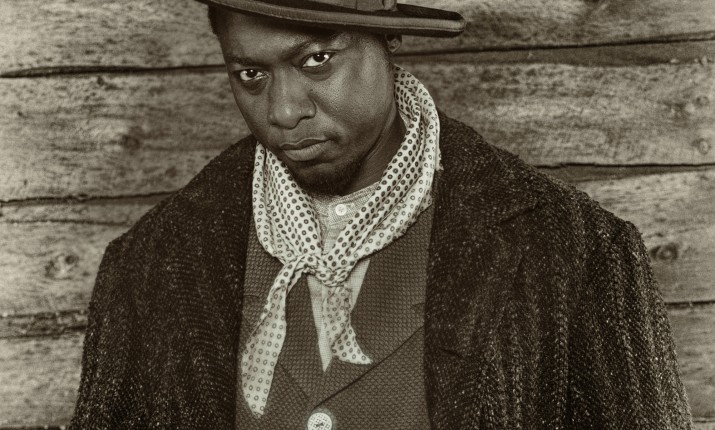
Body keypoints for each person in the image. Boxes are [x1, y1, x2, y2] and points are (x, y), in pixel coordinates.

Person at [70, 0, 692, 428]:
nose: (283, 111)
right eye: (250, 73)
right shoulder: (149, 265)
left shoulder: (574, 253)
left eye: (316, 60)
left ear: (386, 42)